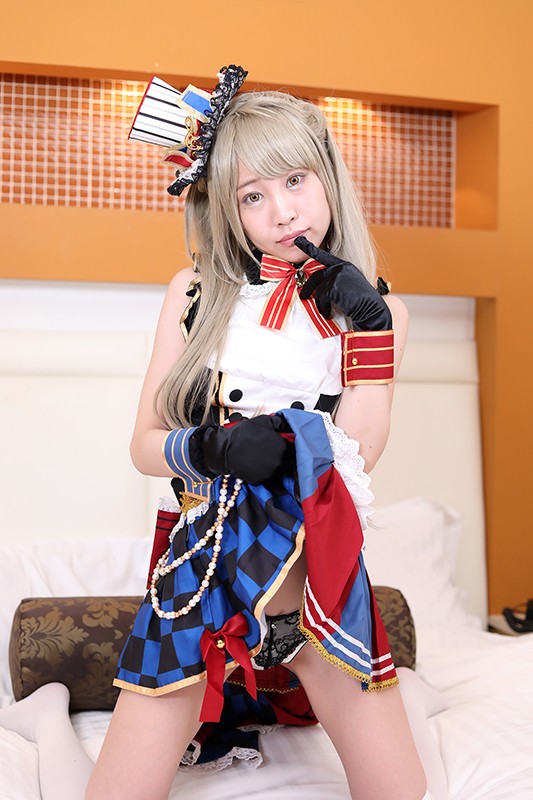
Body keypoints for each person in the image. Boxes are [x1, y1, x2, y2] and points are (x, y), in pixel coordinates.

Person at [0, 66, 447, 800]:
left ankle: (409, 699)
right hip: (202, 576)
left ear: (327, 177)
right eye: (252, 195)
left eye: (295, 180)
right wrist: (210, 449)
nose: (283, 212)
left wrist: (366, 327)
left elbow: (358, 455)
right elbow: (144, 445)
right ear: (228, 211)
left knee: (401, 793)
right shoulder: (195, 294)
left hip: (314, 583)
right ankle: (49, 716)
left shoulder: (378, 312)